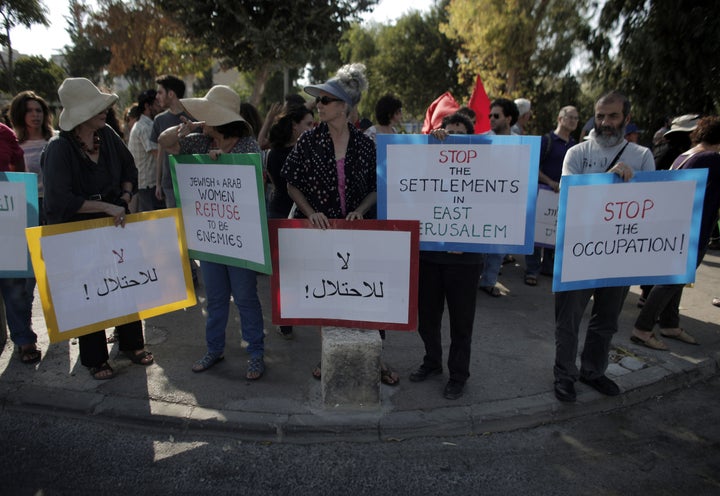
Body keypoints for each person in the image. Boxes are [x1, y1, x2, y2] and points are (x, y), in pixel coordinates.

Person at [281, 63, 399, 385]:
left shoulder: (365, 144)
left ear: (344, 106)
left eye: (325, 100)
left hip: (361, 235)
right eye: (317, 101)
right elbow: (290, 181)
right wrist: (309, 212)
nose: (318, 106)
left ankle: (377, 359)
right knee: (329, 297)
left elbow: (379, 187)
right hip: (323, 235)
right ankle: (329, 355)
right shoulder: (308, 142)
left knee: (369, 297)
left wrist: (361, 209)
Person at [42, 77, 154, 380]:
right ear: (78, 116)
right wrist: (106, 207)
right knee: (90, 291)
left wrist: (126, 196)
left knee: (125, 282)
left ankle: (131, 344)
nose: (105, 111)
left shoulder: (107, 135)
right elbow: (60, 201)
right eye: (97, 107)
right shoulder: (59, 149)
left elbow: (129, 168)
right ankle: (95, 358)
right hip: (79, 230)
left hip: (115, 222)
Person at [158, 85, 266, 381]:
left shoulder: (246, 146)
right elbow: (163, 141)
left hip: (240, 240)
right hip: (212, 238)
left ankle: (256, 353)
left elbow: (253, 183)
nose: (201, 118)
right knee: (215, 298)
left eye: (206, 114)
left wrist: (225, 164)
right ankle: (214, 349)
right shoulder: (198, 141)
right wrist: (186, 128)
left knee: (245, 298)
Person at [553, 91, 655, 402]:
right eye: (600, 116)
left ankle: (594, 371)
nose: (605, 122)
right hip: (578, 249)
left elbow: (651, 205)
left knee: (606, 320)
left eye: (612, 116)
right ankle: (564, 375)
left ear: (626, 117)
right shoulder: (576, 153)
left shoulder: (642, 155)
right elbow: (569, 195)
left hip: (619, 255)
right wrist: (606, 180)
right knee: (568, 318)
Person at [630, 116, 720, 350]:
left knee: (676, 278)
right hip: (694, 229)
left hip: (676, 226)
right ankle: (643, 328)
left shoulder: (686, 155)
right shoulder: (711, 159)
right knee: (672, 280)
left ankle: (670, 324)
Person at [409, 111, 480, 400]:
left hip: (466, 261)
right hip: (430, 257)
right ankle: (432, 361)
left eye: (460, 135)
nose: (454, 140)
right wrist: (431, 145)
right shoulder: (429, 162)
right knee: (427, 318)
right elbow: (410, 186)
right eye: (448, 133)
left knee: (461, 323)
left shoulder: (482, 169)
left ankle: (458, 375)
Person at [266, 104, 314, 339]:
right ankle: (289, 317)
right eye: (308, 124)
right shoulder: (301, 153)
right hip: (291, 217)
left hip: (280, 215)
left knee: (284, 272)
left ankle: (286, 319)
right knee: (290, 272)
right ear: (295, 126)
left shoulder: (273, 152)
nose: (312, 128)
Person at [0, 113, 40, 365]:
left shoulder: (4, 133)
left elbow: (20, 171)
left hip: (6, 217)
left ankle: (24, 339)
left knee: (16, 284)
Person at [524, 105, 578, 286]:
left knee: (553, 230)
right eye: (570, 117)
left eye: (576, 118)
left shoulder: (574, 146)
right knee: (536, 232)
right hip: (543, 192)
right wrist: (549, 182)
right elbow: (532, 166)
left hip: (561, 195)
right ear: (560, 118)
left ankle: (548, 267)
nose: (573, 121)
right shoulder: (546, 141)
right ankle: (532, 269)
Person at [479, 97, 519, 297]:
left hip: (507, 202)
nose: (491, 119)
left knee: (499, 244)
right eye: (490, 115)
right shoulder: (483, 139)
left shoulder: (521, 142)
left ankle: (489, 281)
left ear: (509, 118)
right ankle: (474, 277)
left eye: (496, 116)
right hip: (483, 199)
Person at [9, 90, 55, 225]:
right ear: (20, 114)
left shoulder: (56, 140)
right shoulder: (16, 145)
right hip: (28, 204)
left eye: (39, 110)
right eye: (29, 111)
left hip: (55, 202)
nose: (35, 115)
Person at [151, 75, 191, 208]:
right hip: (169, 184)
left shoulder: (193, 117)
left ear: (171, 94)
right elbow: (160, 153)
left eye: (160, 92)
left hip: (193, 182)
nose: (157, 97)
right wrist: (158, 183)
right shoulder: (159, 120)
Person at [128, 89, 163, 212]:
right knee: (154, 224)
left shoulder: (143, 124)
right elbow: (157, 153)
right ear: (147, 106)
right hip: (149, 184)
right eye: (157, 103)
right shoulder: (145, 127)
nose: (159, 106)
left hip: (146, 184)